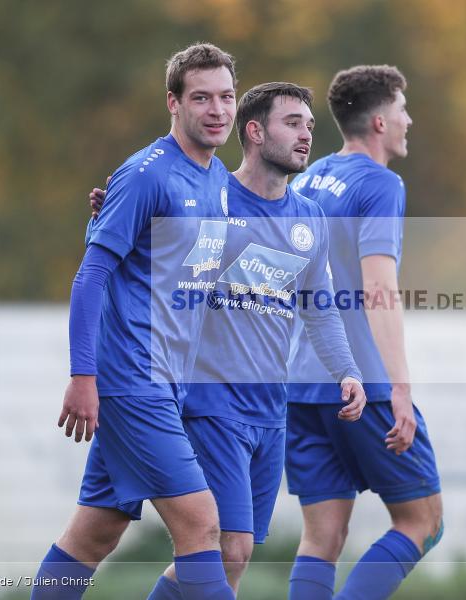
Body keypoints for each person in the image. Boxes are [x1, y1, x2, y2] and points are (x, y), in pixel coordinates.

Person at [92, 82, 368, 598]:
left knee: (232, 559)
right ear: (255, 131)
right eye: (293, 123)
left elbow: (318, 305)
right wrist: (111, 211)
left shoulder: (309, 217)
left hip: (270, 409)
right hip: (210, 402)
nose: (307, 134)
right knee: (220, 547)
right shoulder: (209, 194)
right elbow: (150, 237)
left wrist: (346, 370)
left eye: (310, 124)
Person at [30, 43, 238, 600]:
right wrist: (83, 376)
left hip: (165, 385)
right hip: (131, 381)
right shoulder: (146, 174)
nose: (217, 109)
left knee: (93, 536)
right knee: (202, 525)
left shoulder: (217, 178)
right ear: (173, 103)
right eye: (201, 98)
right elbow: (90, 277)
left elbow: (168, 274)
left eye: (226, 96)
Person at [284, 65, 443, 600]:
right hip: (363, 381)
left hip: (302, 383)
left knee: (322, 537)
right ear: (379, 121)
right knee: (422, 521)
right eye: (402, 110)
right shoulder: (380, 184)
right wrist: (400, 386)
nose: (409, 120)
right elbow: (378, 290)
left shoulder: (306, 178)